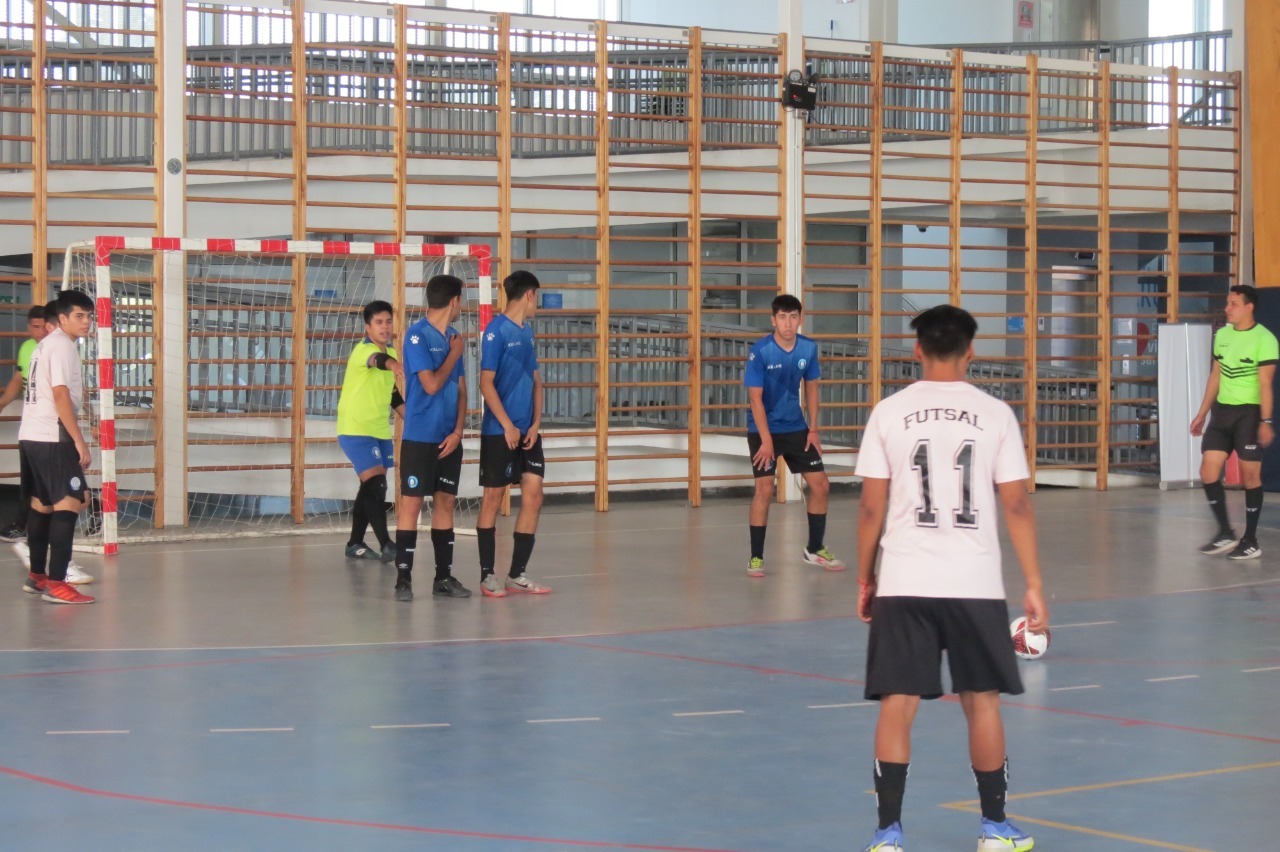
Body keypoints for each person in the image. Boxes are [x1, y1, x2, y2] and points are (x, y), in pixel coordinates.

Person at [854, 305, 1047, 852]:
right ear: (971, 352)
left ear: (917, 349)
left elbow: (870, 508)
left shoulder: (889, 412)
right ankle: (994, 829)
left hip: (904, 579)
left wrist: (867, 577)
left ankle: (888, 836)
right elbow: (1017, 505)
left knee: (898, 704)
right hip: (974, 583)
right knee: (982, 701)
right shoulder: (995, 414)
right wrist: (1033, 583)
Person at [743, 293, 842, 577]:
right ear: (773, 320)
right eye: (783, 317)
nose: (788, 323)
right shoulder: (760, 352)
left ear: (800, 319)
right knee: (764, 490)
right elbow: (755, 400)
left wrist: (813, 428)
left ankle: (814, 548)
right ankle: (756, 557)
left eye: (793, 317)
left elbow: (811, 387)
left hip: (796, 428)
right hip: (763, 430)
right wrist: (766, 441)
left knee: (821, 485)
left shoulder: (808, 348)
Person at [18, 290, 99, 604]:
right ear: (62, 318)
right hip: (53, 437)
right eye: (79, 316)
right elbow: (61, 394)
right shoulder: (63, 345)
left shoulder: (45, 345)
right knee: (70, 503)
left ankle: (37, 576)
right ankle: (57, 583)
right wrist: (78, 440)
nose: (86, 321)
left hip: (32, 435)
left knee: (43, 504)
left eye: (89, 316)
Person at [393, 274, 470, 602]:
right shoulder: (417, 335)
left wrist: (458, 432)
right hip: (420, 437)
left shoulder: (453, 338)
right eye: (461, 301)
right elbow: (432, 384)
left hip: (448, 438)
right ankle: (403, 579)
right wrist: (454, 354)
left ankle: (443, 577)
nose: (461, 307)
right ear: (454, 301)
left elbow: (461, 390)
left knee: (446, 502)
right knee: (412, 504)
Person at [1190, 284, 1277, 560]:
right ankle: (1225, 532)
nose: (1227, 308)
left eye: (1234, 304)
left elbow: (1265, 383)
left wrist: (1266, 420)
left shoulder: (1265, 339)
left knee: (1250, 476)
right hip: (1222, 413)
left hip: (1248, 415)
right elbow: (1215, 375)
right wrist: (1202, 413)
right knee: (1208, 470)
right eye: (1227, 303)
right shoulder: (1223, 335)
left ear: (1249, 307)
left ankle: (1250, 540)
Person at [476, 270, 550, 598]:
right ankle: (487, 575)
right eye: (537, 297)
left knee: (534, 495)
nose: (537, 303)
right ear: (529, 294)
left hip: (527, 432)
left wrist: (535, 425)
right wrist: (507, 424)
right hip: (499, 431)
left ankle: (517, 574)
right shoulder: (495, 331)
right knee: (493, 498)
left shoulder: (528, 332)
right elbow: (485, 383)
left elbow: (536, 382)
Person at [336, 300, 405, 563]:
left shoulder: (393, 352)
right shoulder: (363, 351)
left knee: (372, 487)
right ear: (368, 327)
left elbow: (393, 395)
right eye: (378, 322)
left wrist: (414, 419)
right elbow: (378, 361)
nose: (385, 327)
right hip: (355, 427)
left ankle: (355, 543)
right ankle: (387, 543)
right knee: (375, 483)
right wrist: (393, 364)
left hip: (379, 430)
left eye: (388, 321)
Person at [0, 304, 52, 541]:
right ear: (29, 327)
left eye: (44, 326)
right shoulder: (27, 348)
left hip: (50, 425)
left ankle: (23, 525)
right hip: (31, 425)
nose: (40, 331)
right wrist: (2, 403)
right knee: (31, 477)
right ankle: (22, 525)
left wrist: (90, 418)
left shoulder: (58, 349)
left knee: (49, 479)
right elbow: (18, 379)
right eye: (35, 326)